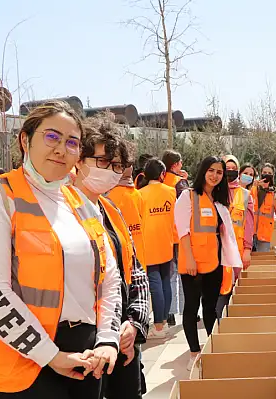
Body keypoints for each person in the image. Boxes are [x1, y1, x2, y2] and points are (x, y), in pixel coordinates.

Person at [0, 101, 123, 398]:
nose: (61, 149)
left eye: (72, 142)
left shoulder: (81, 204)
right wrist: (49, 354)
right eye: (52, 137)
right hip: (13, 363)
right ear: (25, 140)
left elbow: (110, 279)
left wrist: (107, 339)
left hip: (82, 357)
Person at [71, 117, 150, 399]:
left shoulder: (110, 210)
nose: (111, 171)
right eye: (103, 161)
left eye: (117, 166)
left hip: (123, 339)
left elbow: (135, 271)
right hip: (83, 345)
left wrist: (135, 324)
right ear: (78, 159)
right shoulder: (60, 211)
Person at [174, 156, 242, 371]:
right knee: (192, 308)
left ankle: (212, 346)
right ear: (203, 171)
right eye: (211, 170)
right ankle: (194, 352)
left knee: (211, 307)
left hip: (215, 262)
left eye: (219, 172)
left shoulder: (219, 201)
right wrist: (190, 259)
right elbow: (182, 231)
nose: (215, 175)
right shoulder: (188, 196)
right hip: (193, 263)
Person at [138, 158, 176, 339]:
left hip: (148, 244)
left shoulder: (140, 194)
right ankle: (165, 323)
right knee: (165, 282)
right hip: (167, 242)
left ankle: (158, 327)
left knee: (155, 285)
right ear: (162, 174)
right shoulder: (170, 191)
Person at [216, 155, 254, 318]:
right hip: (217, 252)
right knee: (219, 293)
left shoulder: (245, 195)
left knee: (235, 291)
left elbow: (249, 225)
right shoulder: (215, 192)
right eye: (227, 169)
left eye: (233, 169)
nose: (230, 172)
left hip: (237, 253)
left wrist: (247, 249)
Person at [163, 149, 189, 327]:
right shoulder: (180, 184)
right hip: (180, 233)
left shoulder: (160, 180)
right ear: (175, 165)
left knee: (170, 275)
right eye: (180, 163)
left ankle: (170, 312)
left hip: (163, 234)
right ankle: (187, 310)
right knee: (183, 274)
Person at [251, 163, 276, 252]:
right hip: (249, 233)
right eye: (264, 172)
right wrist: (253, 186)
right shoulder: (253, 188)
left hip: (264, 235)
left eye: (269, 173)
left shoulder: (274, 193)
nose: (266, 175)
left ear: (272, 176)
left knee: (262, 262)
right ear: (261, 173)